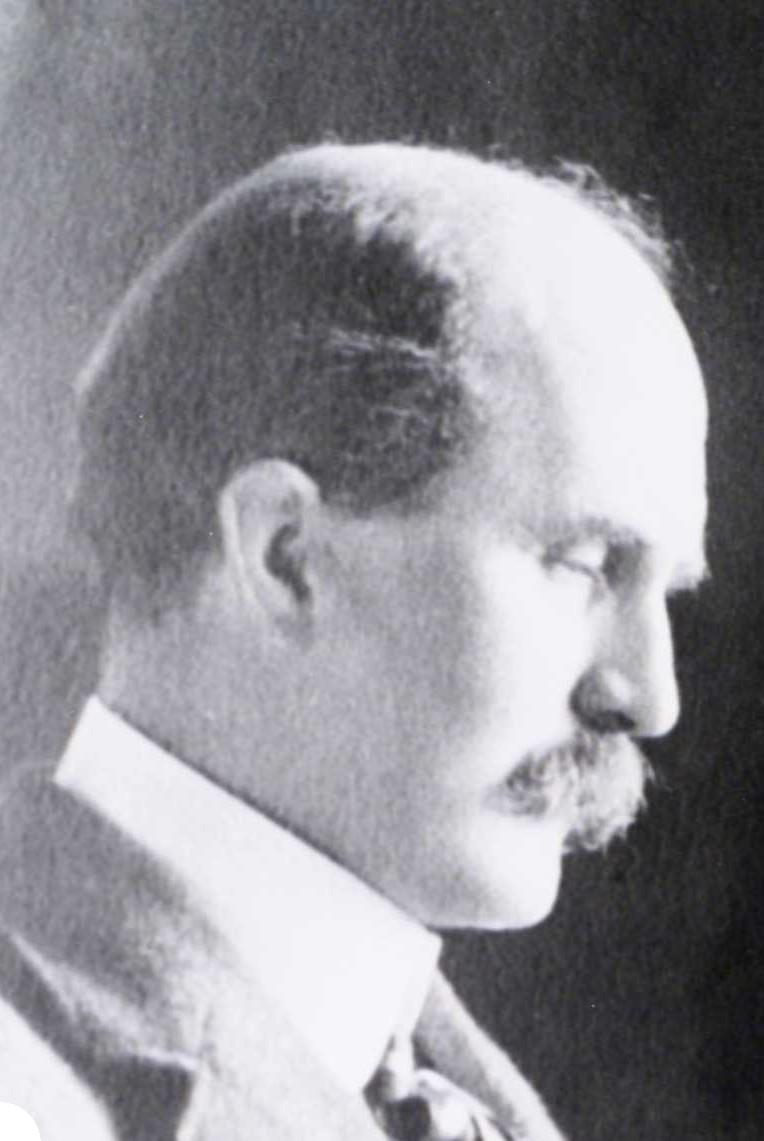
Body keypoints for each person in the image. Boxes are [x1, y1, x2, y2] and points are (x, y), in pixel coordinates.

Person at [0, 143, 707, 1140]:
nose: (649, 694)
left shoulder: (431, 1081)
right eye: (585, 561)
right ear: (288, 557)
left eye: (664, 589)